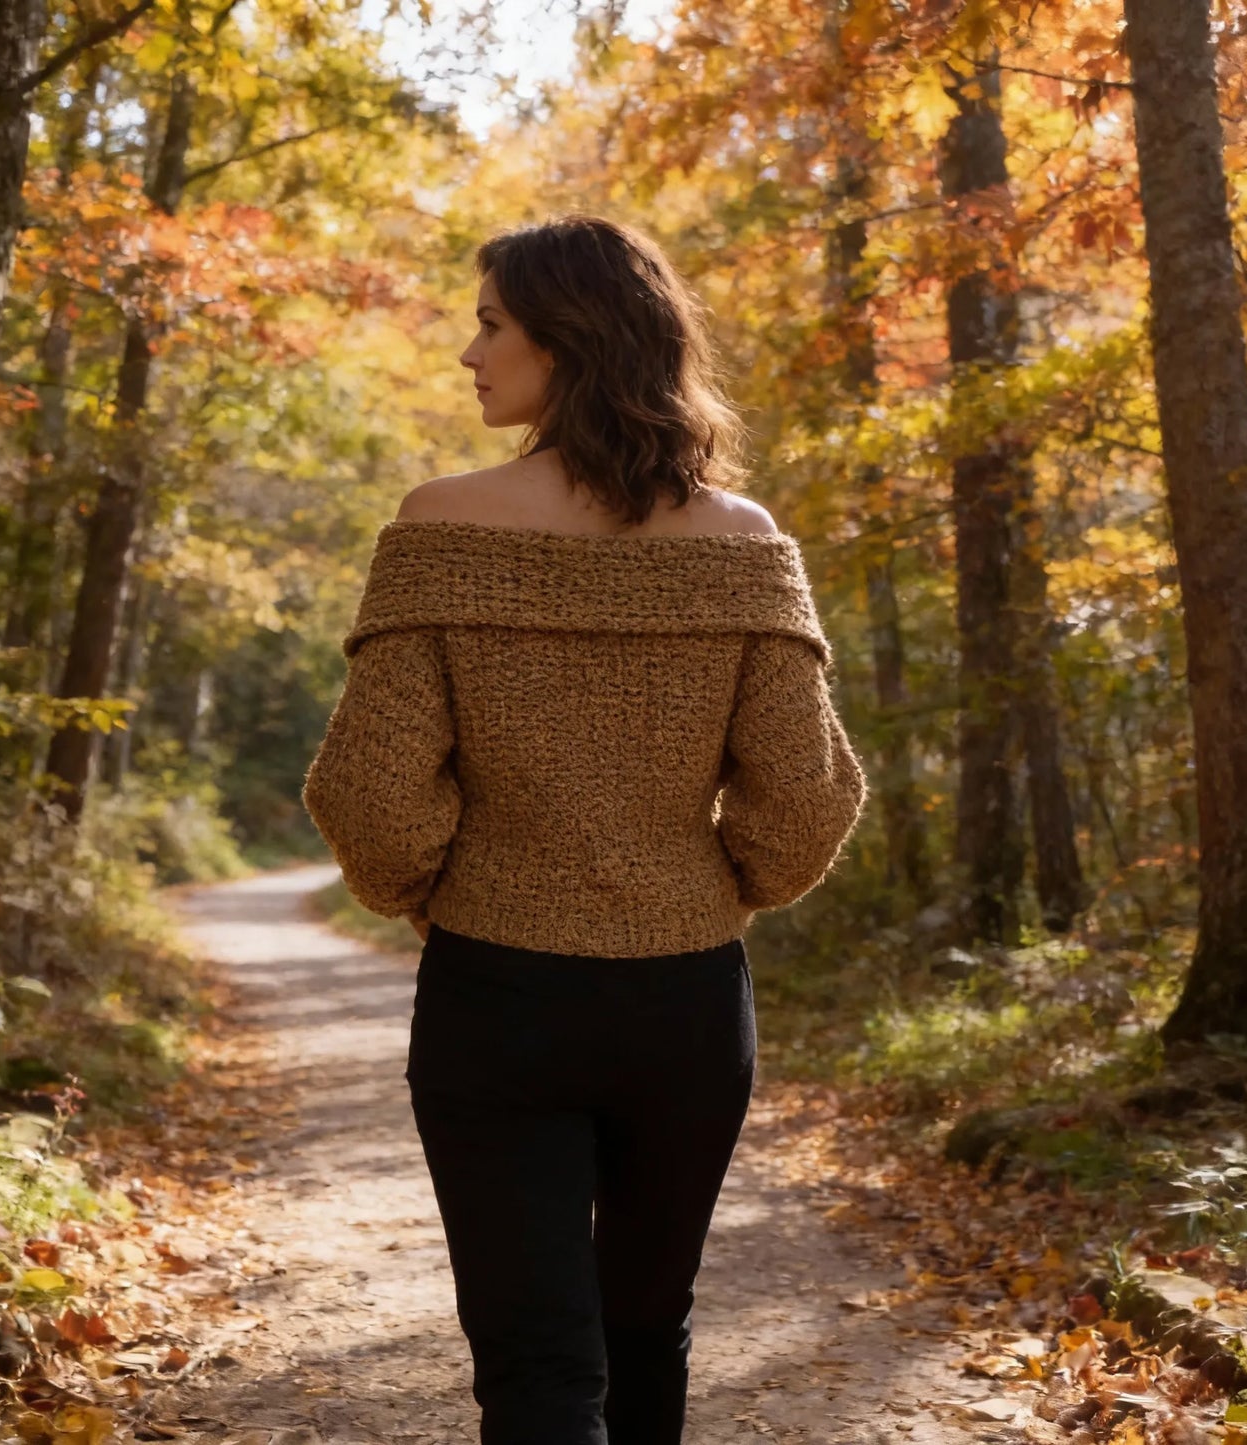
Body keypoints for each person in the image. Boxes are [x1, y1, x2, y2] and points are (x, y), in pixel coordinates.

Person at [301, 214, 868, 1445]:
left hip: (493, 992)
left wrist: (440, 888)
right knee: (642, 1331)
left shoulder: (440, 525)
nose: (468, 351)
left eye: (491, 323)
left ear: (567, 338)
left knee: (535, 1364)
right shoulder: (744, 543)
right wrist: (705, 886)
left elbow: (367, 794)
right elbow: (808, 795)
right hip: (684, 1001)